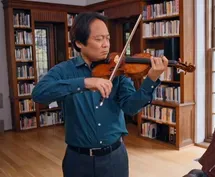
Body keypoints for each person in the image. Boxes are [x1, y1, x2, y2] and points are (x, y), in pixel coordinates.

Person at [31, 12, 168, 177]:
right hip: (78, 161)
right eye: (99, 39)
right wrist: (86, 82)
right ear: (79, 43)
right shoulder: (64, 70)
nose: (106, 45)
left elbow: (131, 107)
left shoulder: (117, 69)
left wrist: (151, 78)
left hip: (114, 158)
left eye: (108, 38)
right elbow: (39, 94)